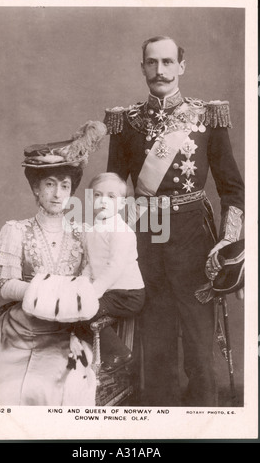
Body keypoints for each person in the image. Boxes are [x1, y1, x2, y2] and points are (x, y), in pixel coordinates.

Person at [104, 36, 244, 406]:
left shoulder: (207, 117)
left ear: (182, 66)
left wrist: (229, 242)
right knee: (157, 344)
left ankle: (209, 423)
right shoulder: (126, 123)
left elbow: (232, 188)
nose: (160, 71)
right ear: (143, 68)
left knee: (200, 346)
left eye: (168, 62)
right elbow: (112, 194)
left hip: (196, 242)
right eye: (152, 63)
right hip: (146, 240)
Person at [0, 120, 107, 406]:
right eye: (49, 185)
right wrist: (52, 293)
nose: (57, 194)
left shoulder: (83, 235)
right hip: (17, 333)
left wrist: (68, 301)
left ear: (71, 191)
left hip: (63, 336)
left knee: (58, 388)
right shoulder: (15, 230)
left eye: (64, 186)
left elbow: (92, 284)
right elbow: (6, 286)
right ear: (36, 189)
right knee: (2, 389)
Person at [80, 172, 145, 373]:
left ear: (122, 204)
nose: (103, 201)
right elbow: (91, 264)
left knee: (84, 310)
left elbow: (114, 267)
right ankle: (101, 353)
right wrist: (81, 285)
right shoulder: (92, 230)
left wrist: (92, 292)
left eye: (111, 197)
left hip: (128, 294)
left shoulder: (121, 231)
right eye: (97, 195)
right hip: (109, 290)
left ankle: (120, 353)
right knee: (73, 310)